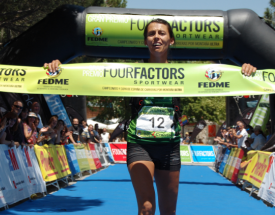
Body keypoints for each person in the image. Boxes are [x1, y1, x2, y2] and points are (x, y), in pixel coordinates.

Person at [44, 18, 257, 215]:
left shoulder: (188, 75)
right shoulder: (130, 73)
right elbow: (90, 76)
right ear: (146, 41)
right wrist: (60, 70)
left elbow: (223, 78)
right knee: (146, 208)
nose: (157, 37)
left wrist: (244, 70)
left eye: (162, 33)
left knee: (168, 212)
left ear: (171, 40)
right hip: (140, 145)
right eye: (151, 33)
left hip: (170, 147)